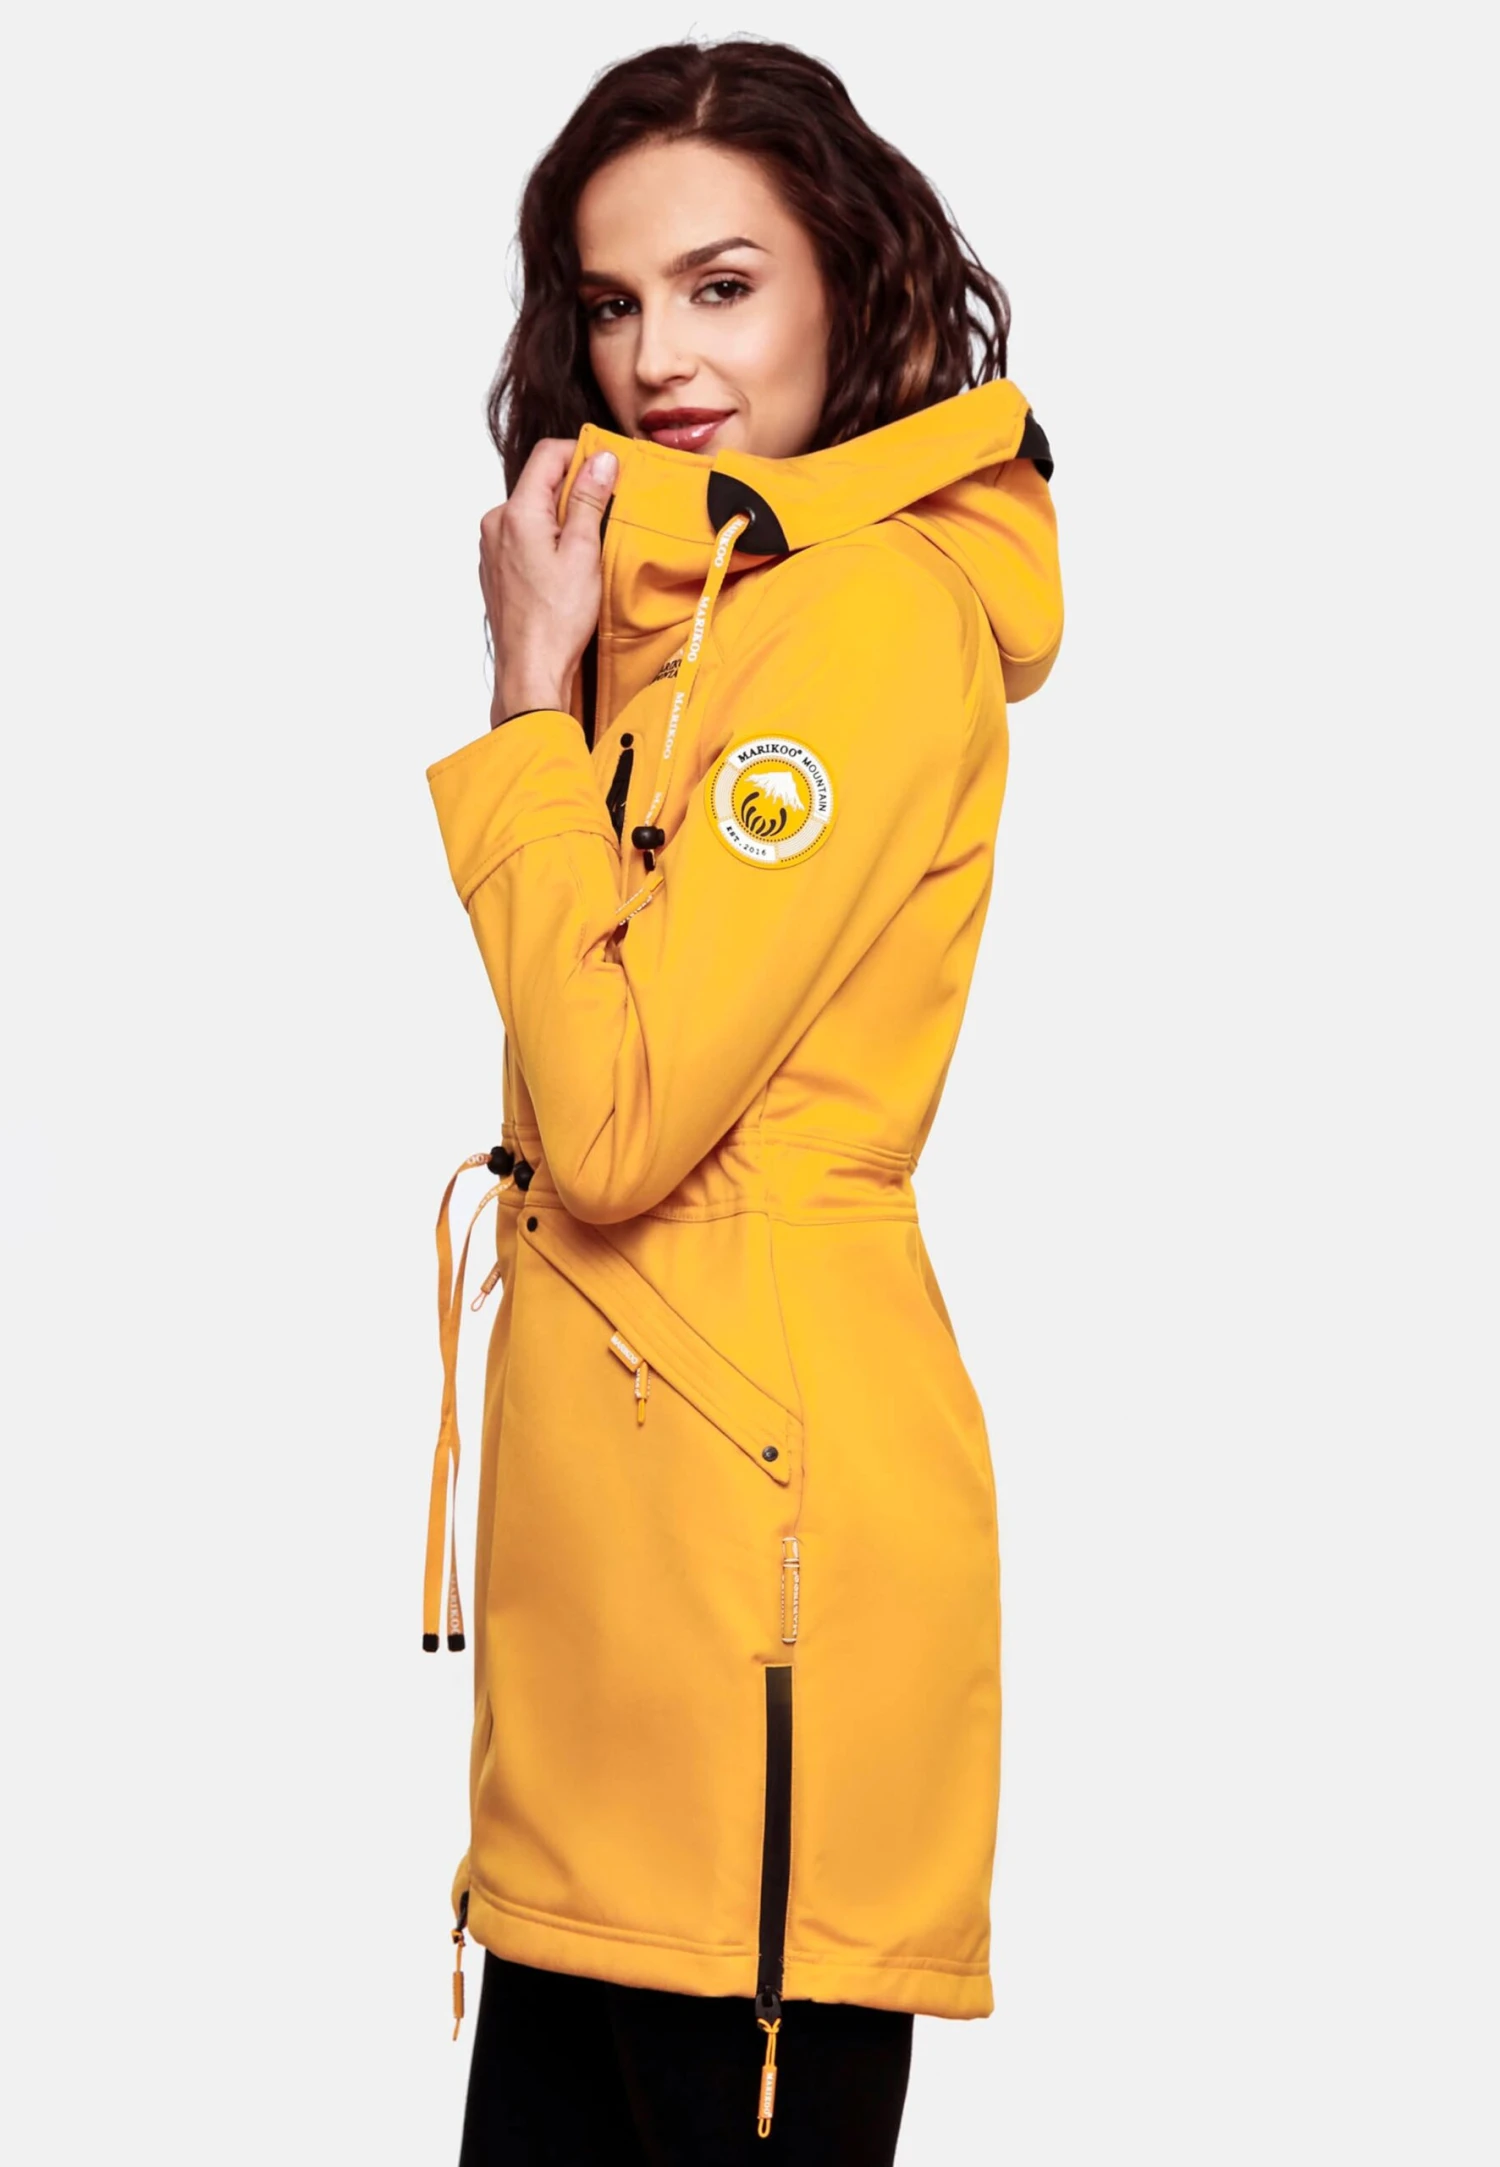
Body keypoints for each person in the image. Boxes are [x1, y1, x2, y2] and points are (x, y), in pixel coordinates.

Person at [420, 35, 1064, 2165]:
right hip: (609, 1617)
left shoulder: (867, 620)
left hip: (758, 1582)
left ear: (852, 283)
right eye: (613, 302)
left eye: (722, 286)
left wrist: (521, 708)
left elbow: (614, 1128)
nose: (659, 357)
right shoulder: (699, 616)